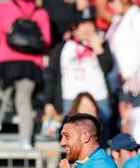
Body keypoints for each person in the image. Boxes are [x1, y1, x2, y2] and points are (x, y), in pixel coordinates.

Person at [0, 0, 51, 149]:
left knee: (3, 91)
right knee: (24, 101)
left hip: (6, 60)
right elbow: (47, 40)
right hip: (31, 63)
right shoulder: (40, 12)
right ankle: (25, 139)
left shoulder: (5, 7)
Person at [44, 8, 114, 143]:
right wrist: (49, 101)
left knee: (100, 138)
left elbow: (108, 68)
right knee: (71, 139)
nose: (87, 28)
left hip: (98, 98)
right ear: (74, 27)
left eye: (90, 24)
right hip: (70, 99)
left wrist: (99, 48)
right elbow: (51, 75)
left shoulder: (102, 44)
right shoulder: (63, 47)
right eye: (82, 24)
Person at [102, 0, 140, 105]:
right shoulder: (118, 18)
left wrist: (127, 73)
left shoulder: (137, 16)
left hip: (132, 79)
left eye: (112, 0)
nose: (110, 5)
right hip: (118, 77)